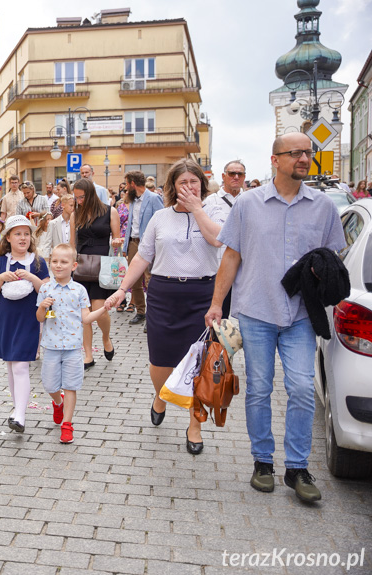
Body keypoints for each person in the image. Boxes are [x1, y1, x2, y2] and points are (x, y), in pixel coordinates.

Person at [204, 133, 345, 502]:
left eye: (307, 152)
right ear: (275, 159)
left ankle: (297, 468)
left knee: (301, 388)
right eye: (295, 152)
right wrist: (217, 303)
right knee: (260, 388)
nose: (304, 158)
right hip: (256, 311)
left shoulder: (323, 206)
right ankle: (262, 461)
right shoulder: (248, 204)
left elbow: (333, 259)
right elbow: (231, 256)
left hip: (301, 315)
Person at [105, 159, 227, 456]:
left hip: (201, 295)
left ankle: (194, 425)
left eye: (194, 182)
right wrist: (122, 289)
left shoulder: (214, 213)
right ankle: (161, 395)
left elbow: (217, 240)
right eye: (182, 182)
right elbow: (142, 257)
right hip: (163, 293)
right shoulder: (160, 217)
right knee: (160, 361)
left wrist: (197, 209)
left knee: (199, 364)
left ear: (202, 184)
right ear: (172, 186)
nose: (188, 187)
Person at [37, 243, 108, 443]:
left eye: (64, 262)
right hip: (50, 347)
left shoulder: (79, 290)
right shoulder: (45, 289)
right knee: (50, 384)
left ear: (74, 265)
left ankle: (67, 425)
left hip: (73, 349)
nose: (58, 265)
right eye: (55, 261)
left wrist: (104, 309)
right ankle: (57, 403)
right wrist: (42, 307)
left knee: (70, 386)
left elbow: (86, 319)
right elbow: (39, 318)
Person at [0, 215, 50, 433]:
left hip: (29, 320)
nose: (23, 238)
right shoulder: (0, 262)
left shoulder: (38, 262)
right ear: (8, 238)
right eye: (17, 234)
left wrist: (32, 278)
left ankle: (21, 416)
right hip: (7, 320)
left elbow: (47, 291)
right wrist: (1, 278)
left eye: (26, 234)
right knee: (12, 367)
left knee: (21, 365)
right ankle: (17, 409)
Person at [72, 178, 122, 369]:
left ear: (91, 194)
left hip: (102, 267)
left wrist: (116, 243)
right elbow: (71, 244)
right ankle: (88, 355)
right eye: (76, 198)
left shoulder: (110, 211)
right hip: (82, 267)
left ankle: (106, 337)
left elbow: (117, 240)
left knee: (100, 311)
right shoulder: (76, 214)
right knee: (85, 314)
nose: (79, 201)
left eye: (81, 197)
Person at [203, 160, 247, 318]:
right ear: (223, 176)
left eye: (240, 174)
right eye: (231, 173)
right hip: (218, 270)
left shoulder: (251, 201)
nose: (236, 177)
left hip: (245, 272)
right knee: (218, 319)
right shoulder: (210, 202)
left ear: (244, 177)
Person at [122, 170, 164, 328]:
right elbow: (131, 225)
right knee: (134, 279)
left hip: (149, 244)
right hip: (133, 243)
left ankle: (153, 315)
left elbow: (161, 221)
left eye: (127, 184)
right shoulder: (132, 200)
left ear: (133, 183)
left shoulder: (154, 198)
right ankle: (140, 311)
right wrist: (126, 246)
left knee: (150, 279)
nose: (126, 188)